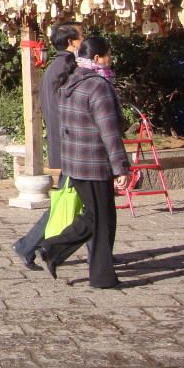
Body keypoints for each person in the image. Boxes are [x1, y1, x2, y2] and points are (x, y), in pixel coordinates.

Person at [36, 36, 131, 289]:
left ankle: (54, 249)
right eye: (108, 55)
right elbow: (108, 130)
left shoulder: (68, 81)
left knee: (98, 216)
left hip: (75, 161)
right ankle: (99, 275)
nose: (111, 60)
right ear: (98, 58)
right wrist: (121, 166)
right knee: (101, 219)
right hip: (95, 162)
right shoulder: (97, 86)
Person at [12, 22, 83, 270]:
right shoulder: (68, 68)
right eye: (81, 37)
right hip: (73, 145)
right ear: (72, 42)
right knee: (79, 203)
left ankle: (30, 245)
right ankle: (29, 245)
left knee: (81, 203)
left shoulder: (57, 66)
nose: (83, 41)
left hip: (65, 142)